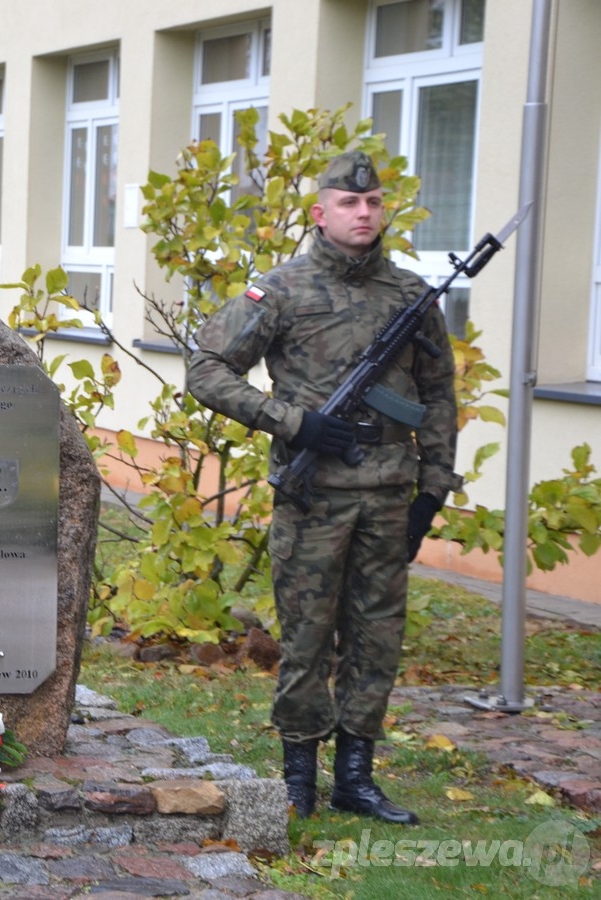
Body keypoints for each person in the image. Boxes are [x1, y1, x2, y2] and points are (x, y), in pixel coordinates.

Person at [186, 151, 459, 825]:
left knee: (377, 639)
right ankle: (298, 778)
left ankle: (356, 778)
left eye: (372, 203)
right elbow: (206, 369)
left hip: (390, 495)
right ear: (320, 213)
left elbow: (439, 395)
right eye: (348, 203)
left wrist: (433, 489)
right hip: (316, 499)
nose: (363, 213)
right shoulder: (281, 291)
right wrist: (293, 422)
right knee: (307, 640)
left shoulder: (411, 297)